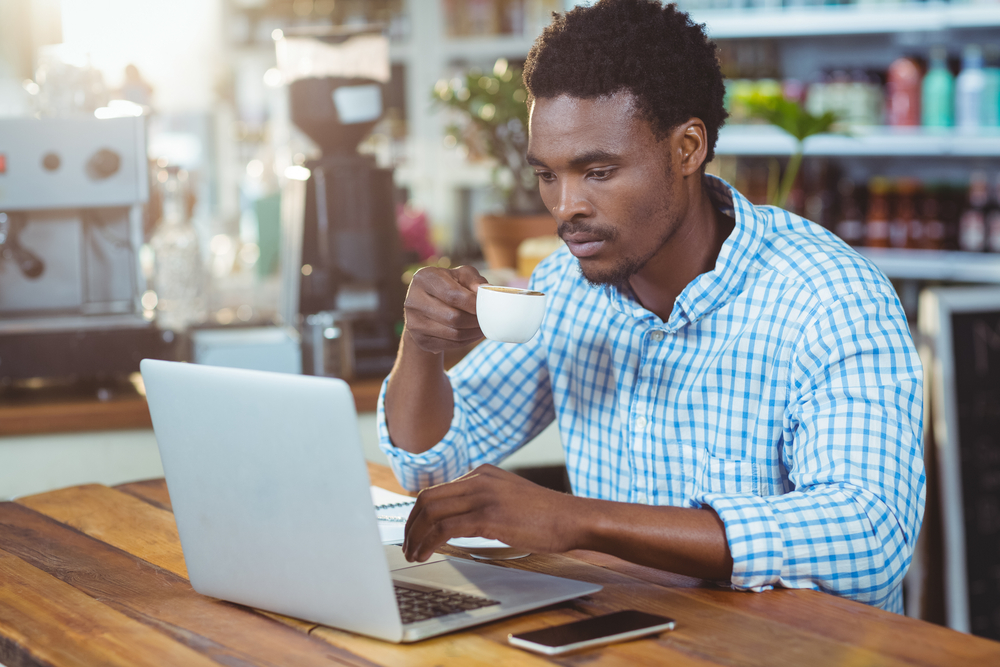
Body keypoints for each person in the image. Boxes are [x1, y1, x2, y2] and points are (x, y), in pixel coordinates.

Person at [378, 0, 924, 613]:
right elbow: (430, 468)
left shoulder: (829, 298)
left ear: (687, 147)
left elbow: (866, 541)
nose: (565, 207)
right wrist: (421, 346)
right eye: (548, 175)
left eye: (599, 171)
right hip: (627, 640)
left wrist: (575, 521)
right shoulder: (565, 288)